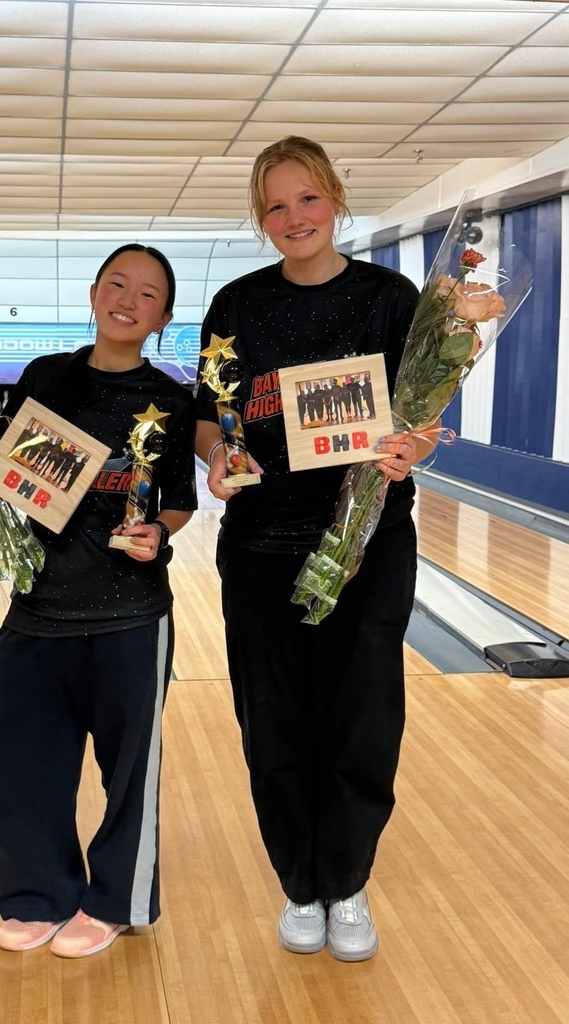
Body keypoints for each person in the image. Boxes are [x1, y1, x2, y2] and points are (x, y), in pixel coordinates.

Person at [194, 136, 438, 962]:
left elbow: (424, 416)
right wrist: (219, 457)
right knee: (274, 720)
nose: (293, 217)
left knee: (363, 716)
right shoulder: (235, 305)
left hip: (368, 538)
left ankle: (349, 879)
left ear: (333, 198)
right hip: (262, 541)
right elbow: (210, 412)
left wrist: (413, 450)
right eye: (274, 204)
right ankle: (300, 884)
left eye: (307, 198)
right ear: (260, 218)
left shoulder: (390, 298)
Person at [0, 244, 196, 958]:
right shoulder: (46, 376)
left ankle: (116, 902)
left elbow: (180, 503)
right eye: (117, 283)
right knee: (19, 758)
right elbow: (12, 468)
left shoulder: (174, 399)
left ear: (163, 316)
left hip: (129, 613)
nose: (128, 299)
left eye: (147, 293)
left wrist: (157, 531)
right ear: (95, 292)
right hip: (39, 604)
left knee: (129, 771)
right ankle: (37, 895)